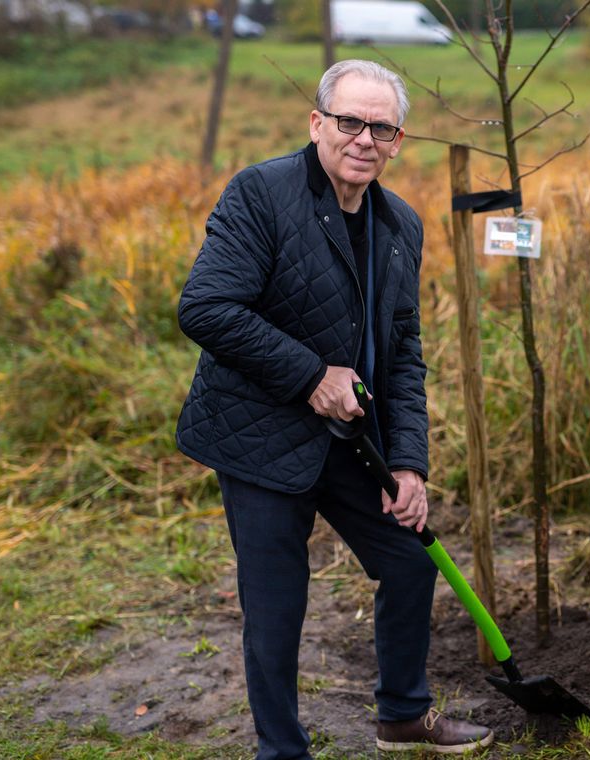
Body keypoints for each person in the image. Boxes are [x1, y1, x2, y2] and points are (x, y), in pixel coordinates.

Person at [175, 59, 493, 758]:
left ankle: (403, 715)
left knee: (410, 561)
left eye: (381, 127)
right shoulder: (261, 193)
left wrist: (409, 463)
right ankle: (282, 749)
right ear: (318, 123)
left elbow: (404, 352)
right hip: (258, 434)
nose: (364, 138)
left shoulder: (400, 224)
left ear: (399, 139)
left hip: (351, 439)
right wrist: (310, 374)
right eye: (350, 121)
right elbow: (205, 307)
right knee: (277, 602)